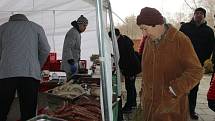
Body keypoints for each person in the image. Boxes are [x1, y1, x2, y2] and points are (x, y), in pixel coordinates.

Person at [136, 7, 203, 121]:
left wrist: (175, 89)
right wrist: (143, 93)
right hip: (149, 108)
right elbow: (146, 70)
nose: (144, 34)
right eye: (142, 29)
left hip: (170, 108)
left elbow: (196, 71)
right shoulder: (149, 41)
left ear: (157, 24)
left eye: (145, 29)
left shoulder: (180, 40)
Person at [0, 14, 50, 121]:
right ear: (26, 19)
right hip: (30, 72)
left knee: (2, 108)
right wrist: (37, 65)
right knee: (28, 112)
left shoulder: (3, 28)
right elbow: (45, 49)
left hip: (6, 73)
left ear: (11, 19)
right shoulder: (36, 27)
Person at [179, 7, 215, 120]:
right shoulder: (185, 27)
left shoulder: (209, 31)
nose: (198, 15)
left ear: (204, 16)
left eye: (201, 14)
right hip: (183, 63)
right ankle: (179, 109)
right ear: (194, 15)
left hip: (198, 64)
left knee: (194, 88)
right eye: (197, 13)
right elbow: (177, 42)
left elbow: (210, 48)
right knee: (181, 86)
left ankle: (191, 110)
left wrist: (203, 61)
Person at [108, 28, 141, 113]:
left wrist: (121, 68)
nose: (111, 40)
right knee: (131, 86)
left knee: (129, 87)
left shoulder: (121, 43)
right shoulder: (124, 39)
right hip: (133, 66)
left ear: (114, 36)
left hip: (131, 68)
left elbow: (124, 58)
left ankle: (128, 106)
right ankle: (133, 103)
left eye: (111, 38)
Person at [61, 15, 88, 80]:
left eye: (86, 26)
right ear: (80, 24)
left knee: (73, 83)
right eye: (84, 26)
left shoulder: (77, 32)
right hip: (70, 63)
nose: (85, 28)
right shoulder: (73, 33)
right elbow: (67, 48)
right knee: (71, 84)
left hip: (74, 62)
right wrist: (71, 62)